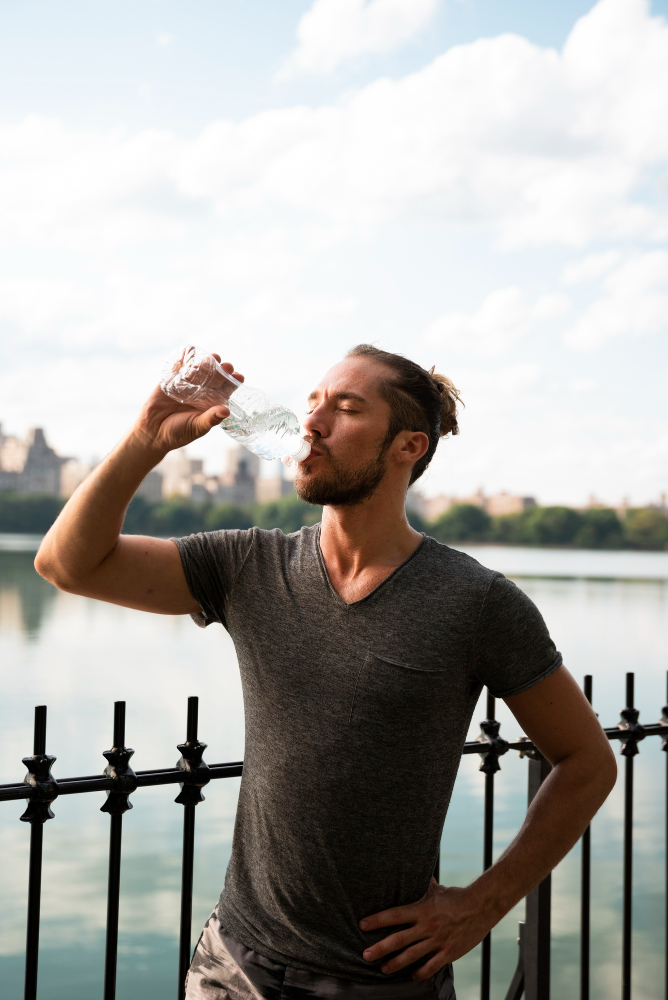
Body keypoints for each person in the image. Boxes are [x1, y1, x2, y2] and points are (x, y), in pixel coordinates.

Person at [35, 344, 616, 1000]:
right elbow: (68, 565)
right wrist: (146, 438)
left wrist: (482, 904)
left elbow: (587, 760)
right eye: (311, 404)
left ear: (407, 446)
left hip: (383, 981)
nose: (312, 422)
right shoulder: (248, 565)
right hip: (233, 964)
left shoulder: (476, 602)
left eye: (346, 409)